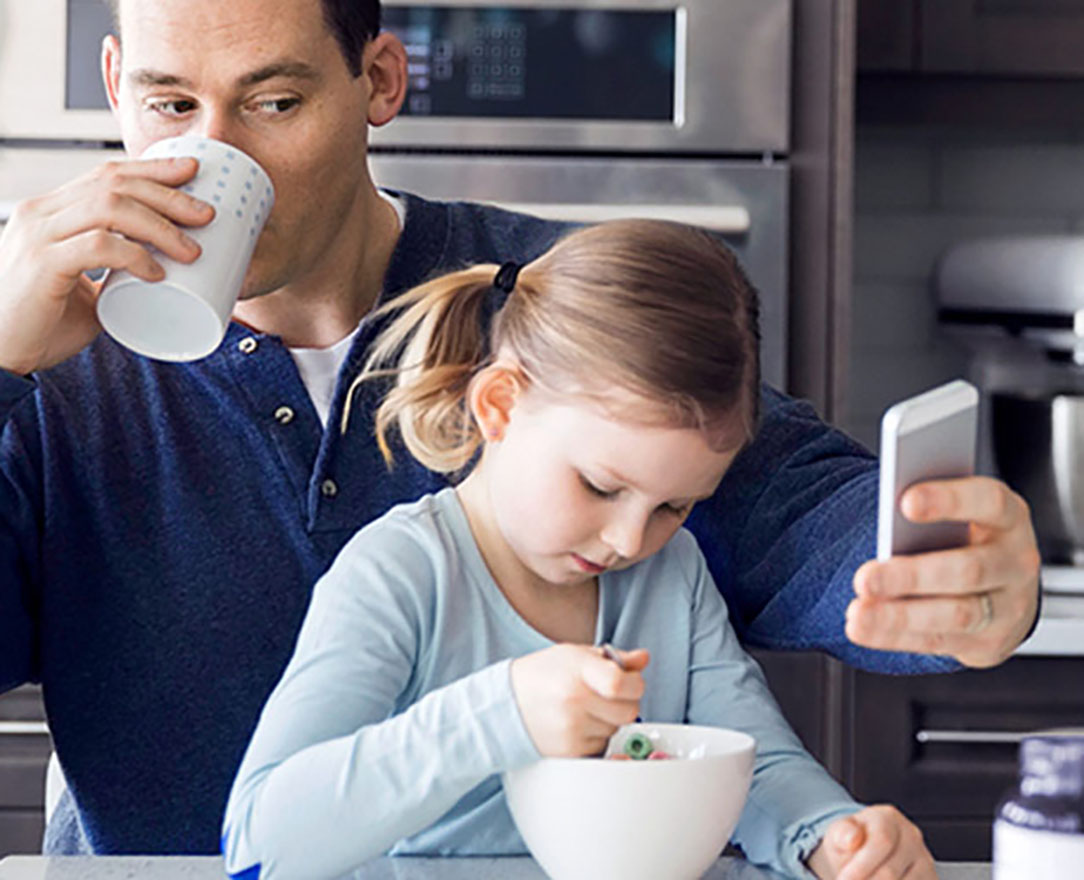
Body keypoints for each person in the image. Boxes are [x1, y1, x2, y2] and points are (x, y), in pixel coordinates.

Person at [0, 0, 1039, 857]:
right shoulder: (53, 355)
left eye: (274, 99)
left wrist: (945, 563)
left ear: (379, 83)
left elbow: (794, 506)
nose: (211, 153)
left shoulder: (545, 304)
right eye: (168, 101)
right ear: (114, 82)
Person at [222, 219, 936, 880]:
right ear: (499, 404)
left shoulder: (672, 573)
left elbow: (753, 764)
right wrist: (501, 714)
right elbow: (262, 841)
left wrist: (832, 836)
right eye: (600, 486)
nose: (632, 540)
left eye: (675, 506)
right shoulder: (401, 574)